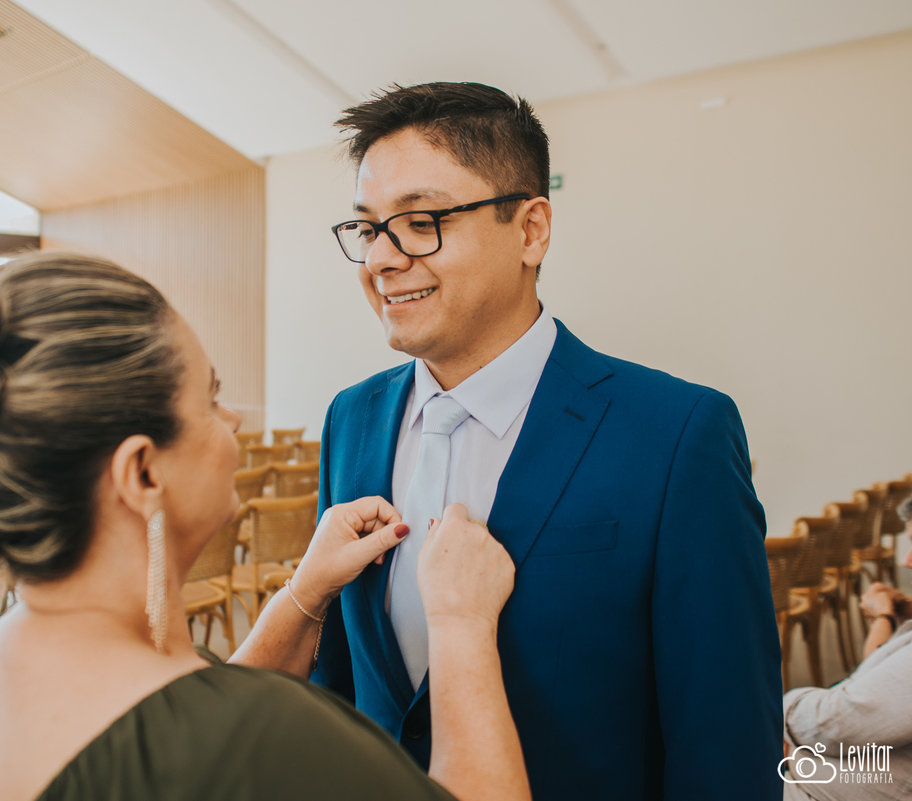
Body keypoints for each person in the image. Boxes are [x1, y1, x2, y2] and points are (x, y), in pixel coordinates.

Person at [0, 253, 532, 801]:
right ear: (141, 473)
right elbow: (216, 743)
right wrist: (462, 627)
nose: (231, 427)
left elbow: (177, 732)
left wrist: (303, 593)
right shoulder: (264, 737)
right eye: (210, 399)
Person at [314, 82, 783, 800]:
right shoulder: (351, 417)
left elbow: (726, 748)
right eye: (368, 228)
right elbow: (338, 689)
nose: (380, 258)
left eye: (420, 221)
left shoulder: (676, 433)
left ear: (530, 229)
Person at [779, 496, 912, 800]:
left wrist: (782, 711)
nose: (906, 560)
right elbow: (879, 680)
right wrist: (889, 617)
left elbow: (831, 726)